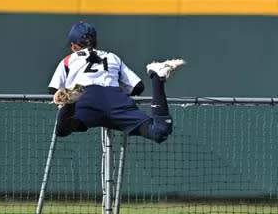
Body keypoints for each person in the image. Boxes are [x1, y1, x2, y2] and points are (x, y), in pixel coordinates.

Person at [49, 21, 185, 143]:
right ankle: (157, 77)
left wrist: (65, 101)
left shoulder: (68, 59)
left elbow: (53, 90)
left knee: (63, 129)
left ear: (73, 46)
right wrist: (117, 100)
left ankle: (70, 101)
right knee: (159, 131)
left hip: (83, 95)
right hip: (113, 97)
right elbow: (138, 87)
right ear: (96, 43)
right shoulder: (112, 56)